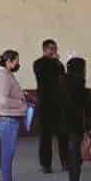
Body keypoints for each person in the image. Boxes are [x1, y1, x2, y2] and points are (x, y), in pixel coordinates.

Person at [0, 49, 28, 181]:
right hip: (8, 119)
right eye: (16, 61)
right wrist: (20, 103)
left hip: (8, 118)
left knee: (6, 154)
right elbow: (2, 101)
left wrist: (20, 95)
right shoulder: (3, 76)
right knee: (7, 155)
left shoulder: (3, 74)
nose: (18, 64)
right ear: (8, 62)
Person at [61, 55, 91, 181]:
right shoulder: (78, 83)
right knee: (76, 155)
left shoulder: (61, 80)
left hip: (63, 125)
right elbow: (84, 108)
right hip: (75, 125)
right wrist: (88, 128)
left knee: (72, 154)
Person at [33, 39, 68, 173]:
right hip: (45, 104)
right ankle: (46, 164)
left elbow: (62, 78)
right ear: (44, 49)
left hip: (59, 105)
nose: (54, 51)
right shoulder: (38, 63)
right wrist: (54, 62)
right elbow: (44, 77)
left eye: (55, 48)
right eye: (51, 48)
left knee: (63, 134)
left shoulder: (58, 64)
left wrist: (57, 63)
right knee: (45, 136)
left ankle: (66, 162)